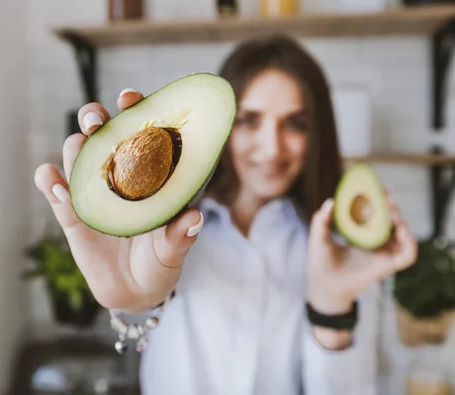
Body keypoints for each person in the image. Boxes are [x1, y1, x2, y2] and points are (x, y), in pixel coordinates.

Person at [34, 35, 418, 395]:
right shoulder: (171, 232)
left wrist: (331, 307)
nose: (271, 148)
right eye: (250, 120)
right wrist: (134, 301)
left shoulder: (343, 255)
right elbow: (138, 330)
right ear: (226, 127)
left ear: (318, 133)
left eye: (295, 124)